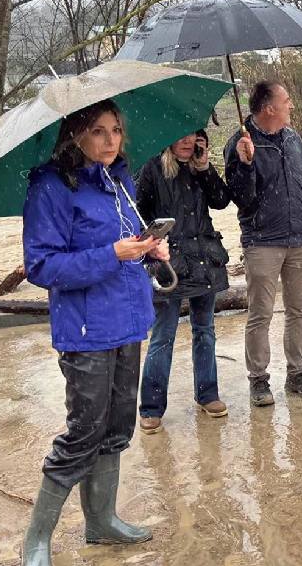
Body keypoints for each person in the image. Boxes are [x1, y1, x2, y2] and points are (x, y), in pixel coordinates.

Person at [21, 99, 167, 565]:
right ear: (75, 134)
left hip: (129, 321)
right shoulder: (51, 186)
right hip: (86, 329)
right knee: (84, 432)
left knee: (118, 426)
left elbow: (126, 241)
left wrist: (148, 250)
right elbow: (41, 265)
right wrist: (112, 255)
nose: (111, 140)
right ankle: (36, 540)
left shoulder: (119, 179)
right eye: (99, 131)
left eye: (116, 130)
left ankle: (101, 521)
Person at [223, 80, 302, 407]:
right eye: (286, 100)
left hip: (300, 237)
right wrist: (245, 165)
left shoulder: (292, 138)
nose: (291, 105)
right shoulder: (240, 143)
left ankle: (297, 374)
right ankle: (258, 380)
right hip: (263, 240)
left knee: (298, 311)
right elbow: (241, 198)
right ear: (269, 108)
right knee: (260, 314)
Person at [135, 130, 231, 435]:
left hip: (204, 260)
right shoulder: (152, 168)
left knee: (205, 331)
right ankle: (151, 407)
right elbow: (137, 213)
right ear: (169, 139)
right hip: (169, 263)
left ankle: (208, 394)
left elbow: (221, 200)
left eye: (193, 137)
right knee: (163, 336)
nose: (188, 142)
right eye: (182, 137)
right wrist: (152, 245)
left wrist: (205, 169)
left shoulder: (199, 167)